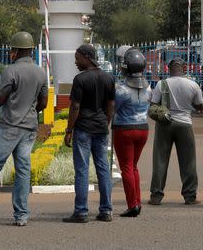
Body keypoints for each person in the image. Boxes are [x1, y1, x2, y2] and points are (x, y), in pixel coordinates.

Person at [0, 31, 48, 227]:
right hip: (29, 129)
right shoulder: (41, 72)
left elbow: (1, 98)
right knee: (23, 170)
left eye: (12, 50)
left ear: (16, 51)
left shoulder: (11, 71)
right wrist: (29, 109)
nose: (10, 53)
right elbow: (44, 103)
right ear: (31, 50)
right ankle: (22, 215)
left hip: (9, 126)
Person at [63, 44, 116, 224]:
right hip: (101, 128)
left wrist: (69, 130)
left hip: (84, 129)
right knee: (103, 170)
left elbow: (75, 106)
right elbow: (111, 105)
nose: (76, 62)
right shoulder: (109, 78)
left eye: (78, 58)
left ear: (87, 57)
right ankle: (106, 210)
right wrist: (105, 123)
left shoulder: (80, 80)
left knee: (82, 170)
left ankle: (81, 212)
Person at [149, 58, 203, 206]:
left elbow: (153, 105)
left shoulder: (161, 84)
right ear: (184, 68)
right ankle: (190, 196)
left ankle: (156, 196)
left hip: (164, 125)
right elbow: (200, 106)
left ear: (168, 69)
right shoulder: (193, 85)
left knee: (160, 160)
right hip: (184, 124)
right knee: (188, 162)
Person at [113, 47, 151, 217]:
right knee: (133, 167)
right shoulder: (148, 89)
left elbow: (113, 109)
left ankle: (132, 205)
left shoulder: (121, 89)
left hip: (124, 130)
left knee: (126, 168)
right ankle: (137, 202)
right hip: (143, 129)